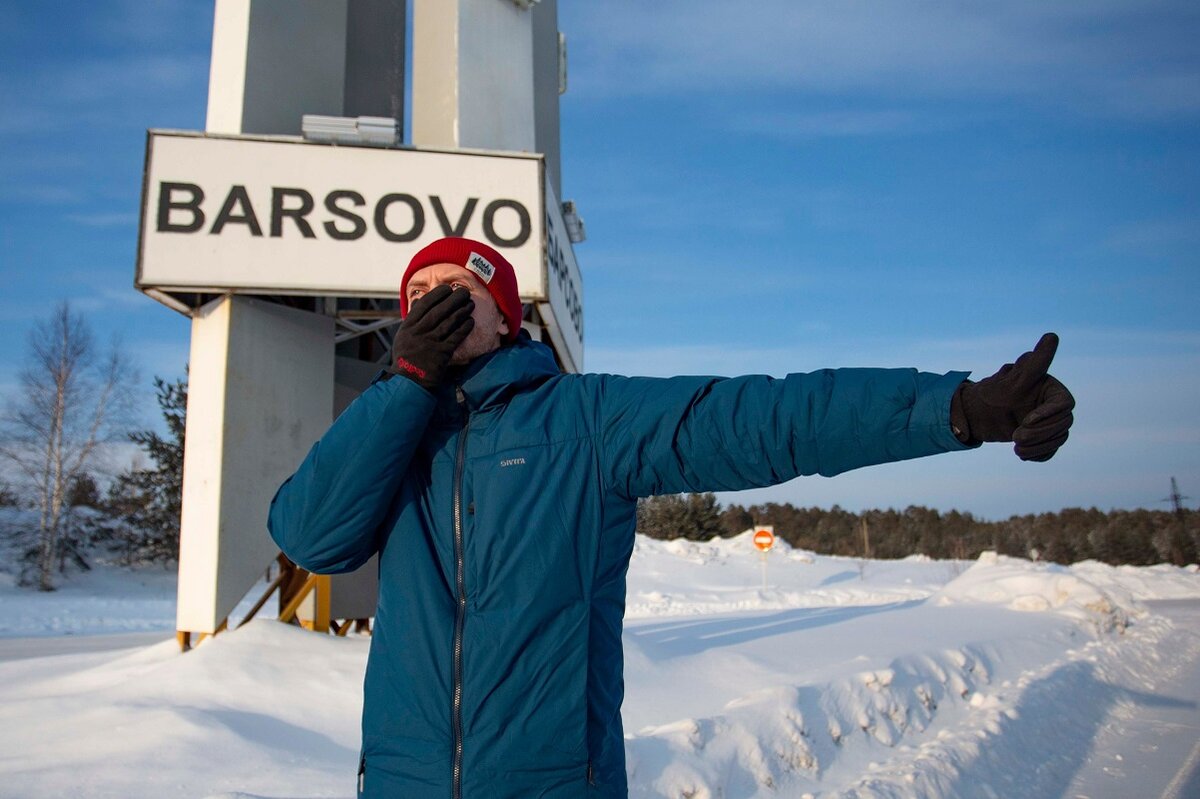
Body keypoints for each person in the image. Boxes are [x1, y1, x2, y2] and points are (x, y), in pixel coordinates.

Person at [268, 236, 1074, 799]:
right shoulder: (390, 435)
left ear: (507, 317)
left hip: (551, 785)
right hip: (400, 785)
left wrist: (959, 408)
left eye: (457, 294)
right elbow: (311, 535)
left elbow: (765, 418)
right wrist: (404, 382)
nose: (434, 309)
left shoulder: (585, 420)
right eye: (418, 299)